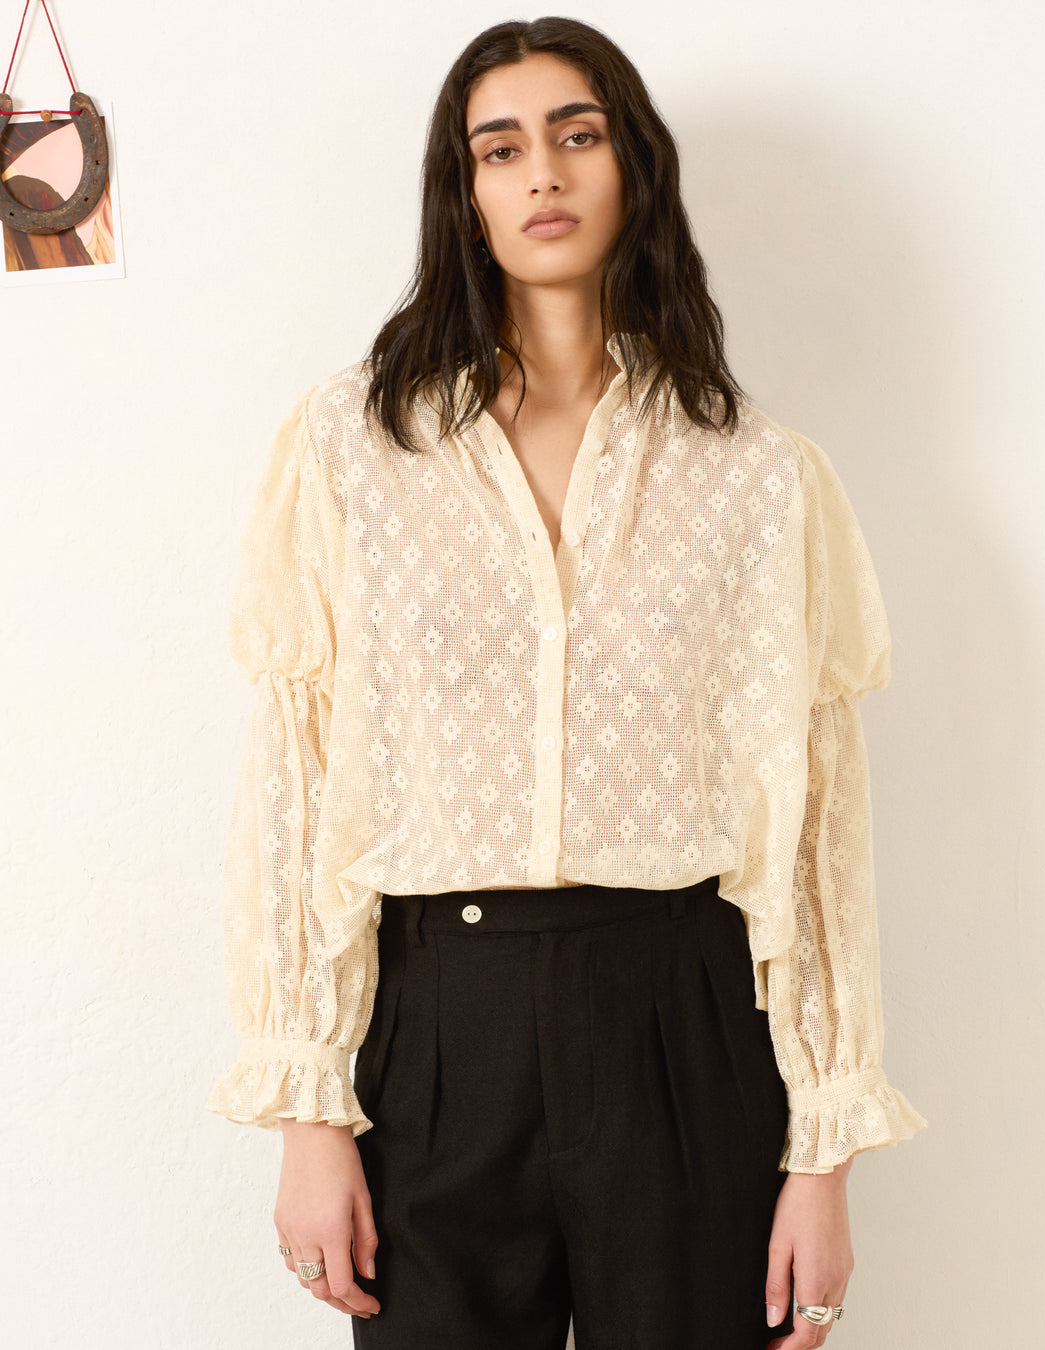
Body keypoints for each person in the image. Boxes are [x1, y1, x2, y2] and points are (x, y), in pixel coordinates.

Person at [205, 17, 927, 1350]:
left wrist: (822, 1152)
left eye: (576, 136)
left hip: (682, 1020)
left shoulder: (756, 474)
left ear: (630, 168)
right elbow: (298, 776)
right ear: (465, 191)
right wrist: (311, 1112)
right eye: (501, 146)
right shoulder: (351, 447)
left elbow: (816, 812)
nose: (542, 173)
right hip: (437, 1033)